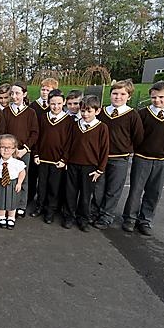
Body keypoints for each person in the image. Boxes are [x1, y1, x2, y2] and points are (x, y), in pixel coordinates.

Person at [121, 80, 164, 236]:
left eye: (161, 97)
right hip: (142, 157)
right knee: (136, 190)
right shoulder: (142, 114)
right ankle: (130, 219)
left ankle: (145, 220)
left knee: (154, 192)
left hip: (162, 159)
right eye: (154, 97)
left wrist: (163, 149)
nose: (157, 100)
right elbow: (137, 135)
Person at [91, 80, 144, 230]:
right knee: (98, 187)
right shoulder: (102, 112)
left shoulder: (132, 115)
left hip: (120, 159)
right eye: (115, 93)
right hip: (100, 157)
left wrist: (127, 149)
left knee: (113, 190)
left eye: (122, 94)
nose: (118, 97)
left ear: (129, 96)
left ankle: (106, 216)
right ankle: (94, 212)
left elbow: (138, 136)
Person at [62, 96, 109, 232]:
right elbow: (68, 145)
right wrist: (65, 160)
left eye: (89, 111)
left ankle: (83, 219)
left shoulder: (102, 128)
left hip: (90, 167)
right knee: (70, 193)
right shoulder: (75, 125)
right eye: (83, 111)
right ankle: (69, 216)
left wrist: (100, 169)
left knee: (85, 195)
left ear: (97, 111)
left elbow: (105, 150)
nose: (85, 114)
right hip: (73, 165)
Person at [31, 89, 73, 224]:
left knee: (54, 187)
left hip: (57, 162)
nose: (56, 106)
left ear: (64, 102)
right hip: (42, 159)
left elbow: (69, 142)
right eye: (53, 103)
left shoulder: (68, 121)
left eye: (59, 103)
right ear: (48, 103)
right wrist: (36, 153)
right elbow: (37, 137)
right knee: (41, 186)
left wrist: (64, 159)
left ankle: (50, 211)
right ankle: (40, 207)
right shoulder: (43, 118)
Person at [1, 81, 39, 217]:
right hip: (8, 152)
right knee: (8, 179)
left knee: (23, 179)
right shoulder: (6, 112)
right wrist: (9, 149)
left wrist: (25, 149)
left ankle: (21, 205)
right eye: (12, 93)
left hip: (24, 152)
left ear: (24, 94)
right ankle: (8, 204)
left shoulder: (31, 112)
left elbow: (34, 133)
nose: (14, 96)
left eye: (17, 93)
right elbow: (3, 132)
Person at [28, 78, 58, 204]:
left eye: (48, 90)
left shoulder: (55, 107)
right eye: (43, 89)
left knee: (46, 178)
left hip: (49, 145)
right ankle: (30, 197)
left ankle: (45, 201)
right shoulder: (34, 106)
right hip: (36, 144)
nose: (45, 92)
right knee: (32, 174)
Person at [0, 134, 27, 229]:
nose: (6, 150)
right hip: (0, 183)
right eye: (2, 147)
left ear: (14, 149)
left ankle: (11, 217)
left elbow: (22, 172)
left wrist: (19, 183)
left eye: (9, 148)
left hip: (13, 184)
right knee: (1, 201)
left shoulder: (18, 163)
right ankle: (1, 216)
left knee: (12, 202)